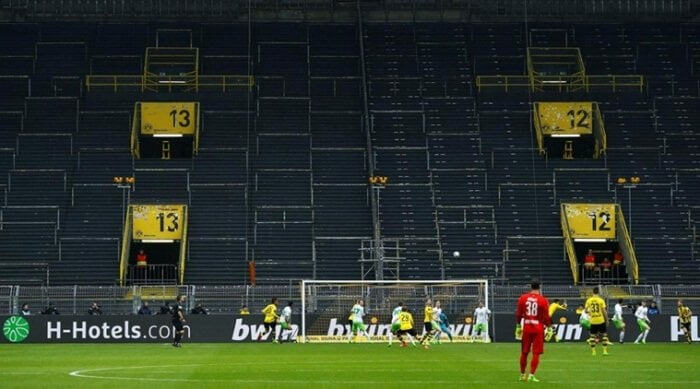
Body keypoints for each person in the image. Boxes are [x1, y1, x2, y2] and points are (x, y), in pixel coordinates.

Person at [515, 281, 552, 383]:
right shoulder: (543, 300)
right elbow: (546, 317)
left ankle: (522, 375)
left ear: (530, 287)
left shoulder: (523, 298)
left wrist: (518, 325)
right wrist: (549, 327)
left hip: (526, 327)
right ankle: (531, 375)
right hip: (538, 328)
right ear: (539, 288)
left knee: (524, 352)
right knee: (536, 352)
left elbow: (518, 313)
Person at [584, 286, 610, 356]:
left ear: (593, 292)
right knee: (604, 335)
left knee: (592, 336)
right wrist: (607, 319)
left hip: (593, 321)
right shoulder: (601, 300)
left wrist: (590, 313)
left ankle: (593, 352)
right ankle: (604, 351)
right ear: (598, 292)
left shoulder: (589, 300)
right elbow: (604, 311)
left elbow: (586, 310)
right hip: (600, 320)